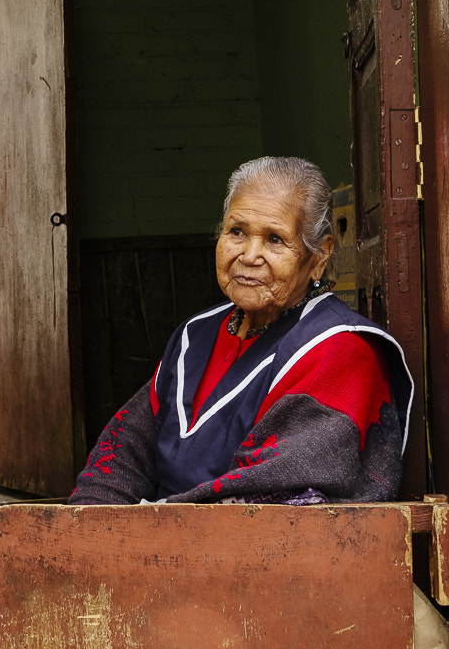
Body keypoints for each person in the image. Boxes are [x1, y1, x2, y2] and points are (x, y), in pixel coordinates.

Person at [70, 156, 413, 506]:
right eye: (237, 231)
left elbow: (270, 499)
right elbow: (122, 452)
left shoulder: (338, 350)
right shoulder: (196, 335)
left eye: (275, 239)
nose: (250, 255)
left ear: (319, 257)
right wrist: (87, 527)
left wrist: (146, 529)